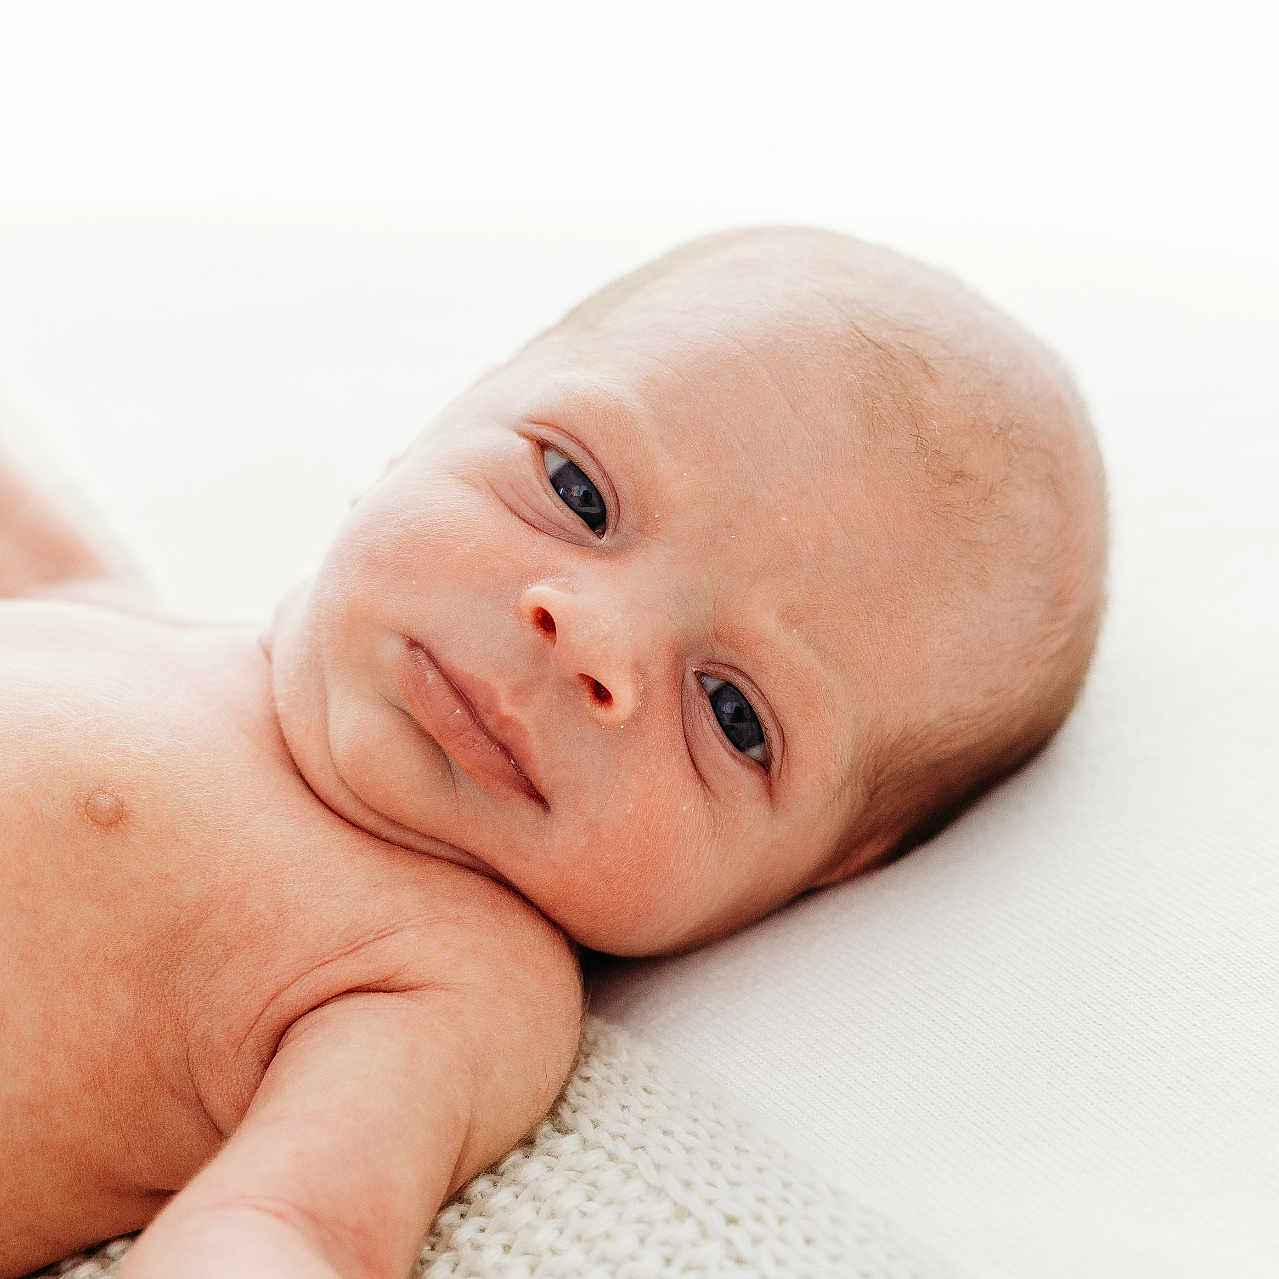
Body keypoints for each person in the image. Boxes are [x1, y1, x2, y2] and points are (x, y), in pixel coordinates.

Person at [0, 225, 1107, 1278]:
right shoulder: (112, 612)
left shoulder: (450, 974)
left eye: (733, 714)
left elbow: (290, 1226)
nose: (590, 635)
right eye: (576, 491)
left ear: (814, 875)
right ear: (425, 432)